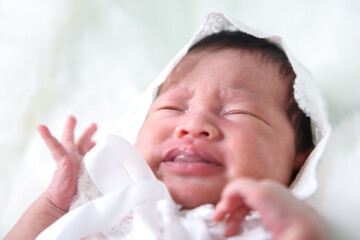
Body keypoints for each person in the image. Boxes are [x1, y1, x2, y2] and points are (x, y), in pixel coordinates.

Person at [5, 13, 330, 240]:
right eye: (173, 108)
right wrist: (56, 204)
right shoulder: (110, 211)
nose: (194, 125)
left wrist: (300, 227)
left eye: (239, 112)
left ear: (301, 156)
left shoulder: (266, 228)